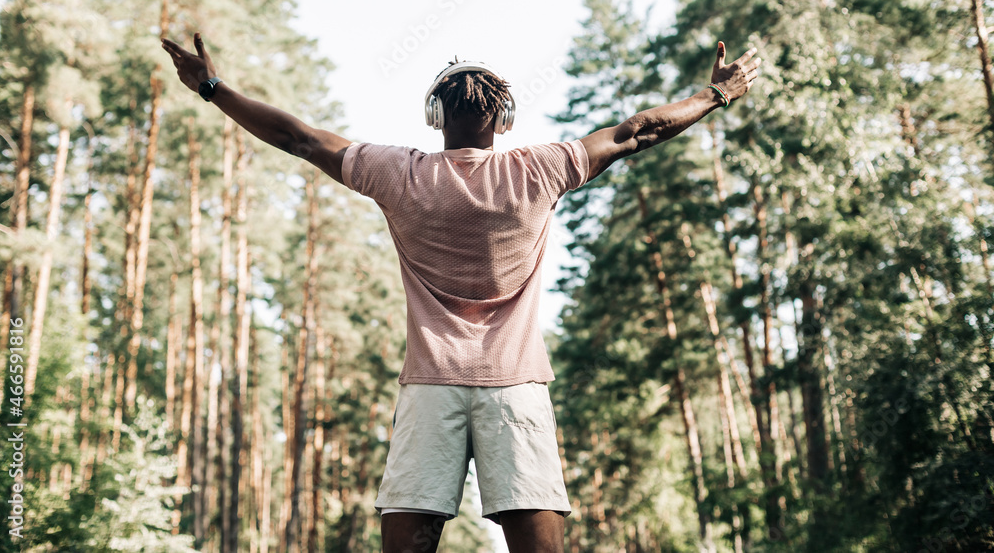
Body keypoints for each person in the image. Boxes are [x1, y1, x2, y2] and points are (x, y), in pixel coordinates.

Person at [161, 33, 761, 553]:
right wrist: (716, 95)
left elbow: (301, 139)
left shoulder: (400, 173)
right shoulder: (540, 169)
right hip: (516, 387)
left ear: (434, 115)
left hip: (431, 387)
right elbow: (637, 132)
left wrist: (213, 87)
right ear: (504, 120)